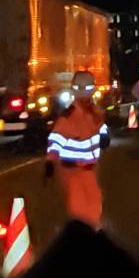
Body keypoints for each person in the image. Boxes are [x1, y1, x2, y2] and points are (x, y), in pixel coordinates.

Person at [45, 70, 109, 228]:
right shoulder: (69, 116)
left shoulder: (94, 112)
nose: (85, 94)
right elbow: (56, 139)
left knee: (94, 201)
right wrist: (50, 162)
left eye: (88, 89)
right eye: (81, 89)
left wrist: (104, 135)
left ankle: (91, 228)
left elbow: (100, 126)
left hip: (89, 168)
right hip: (72, 170)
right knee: (79, 206)